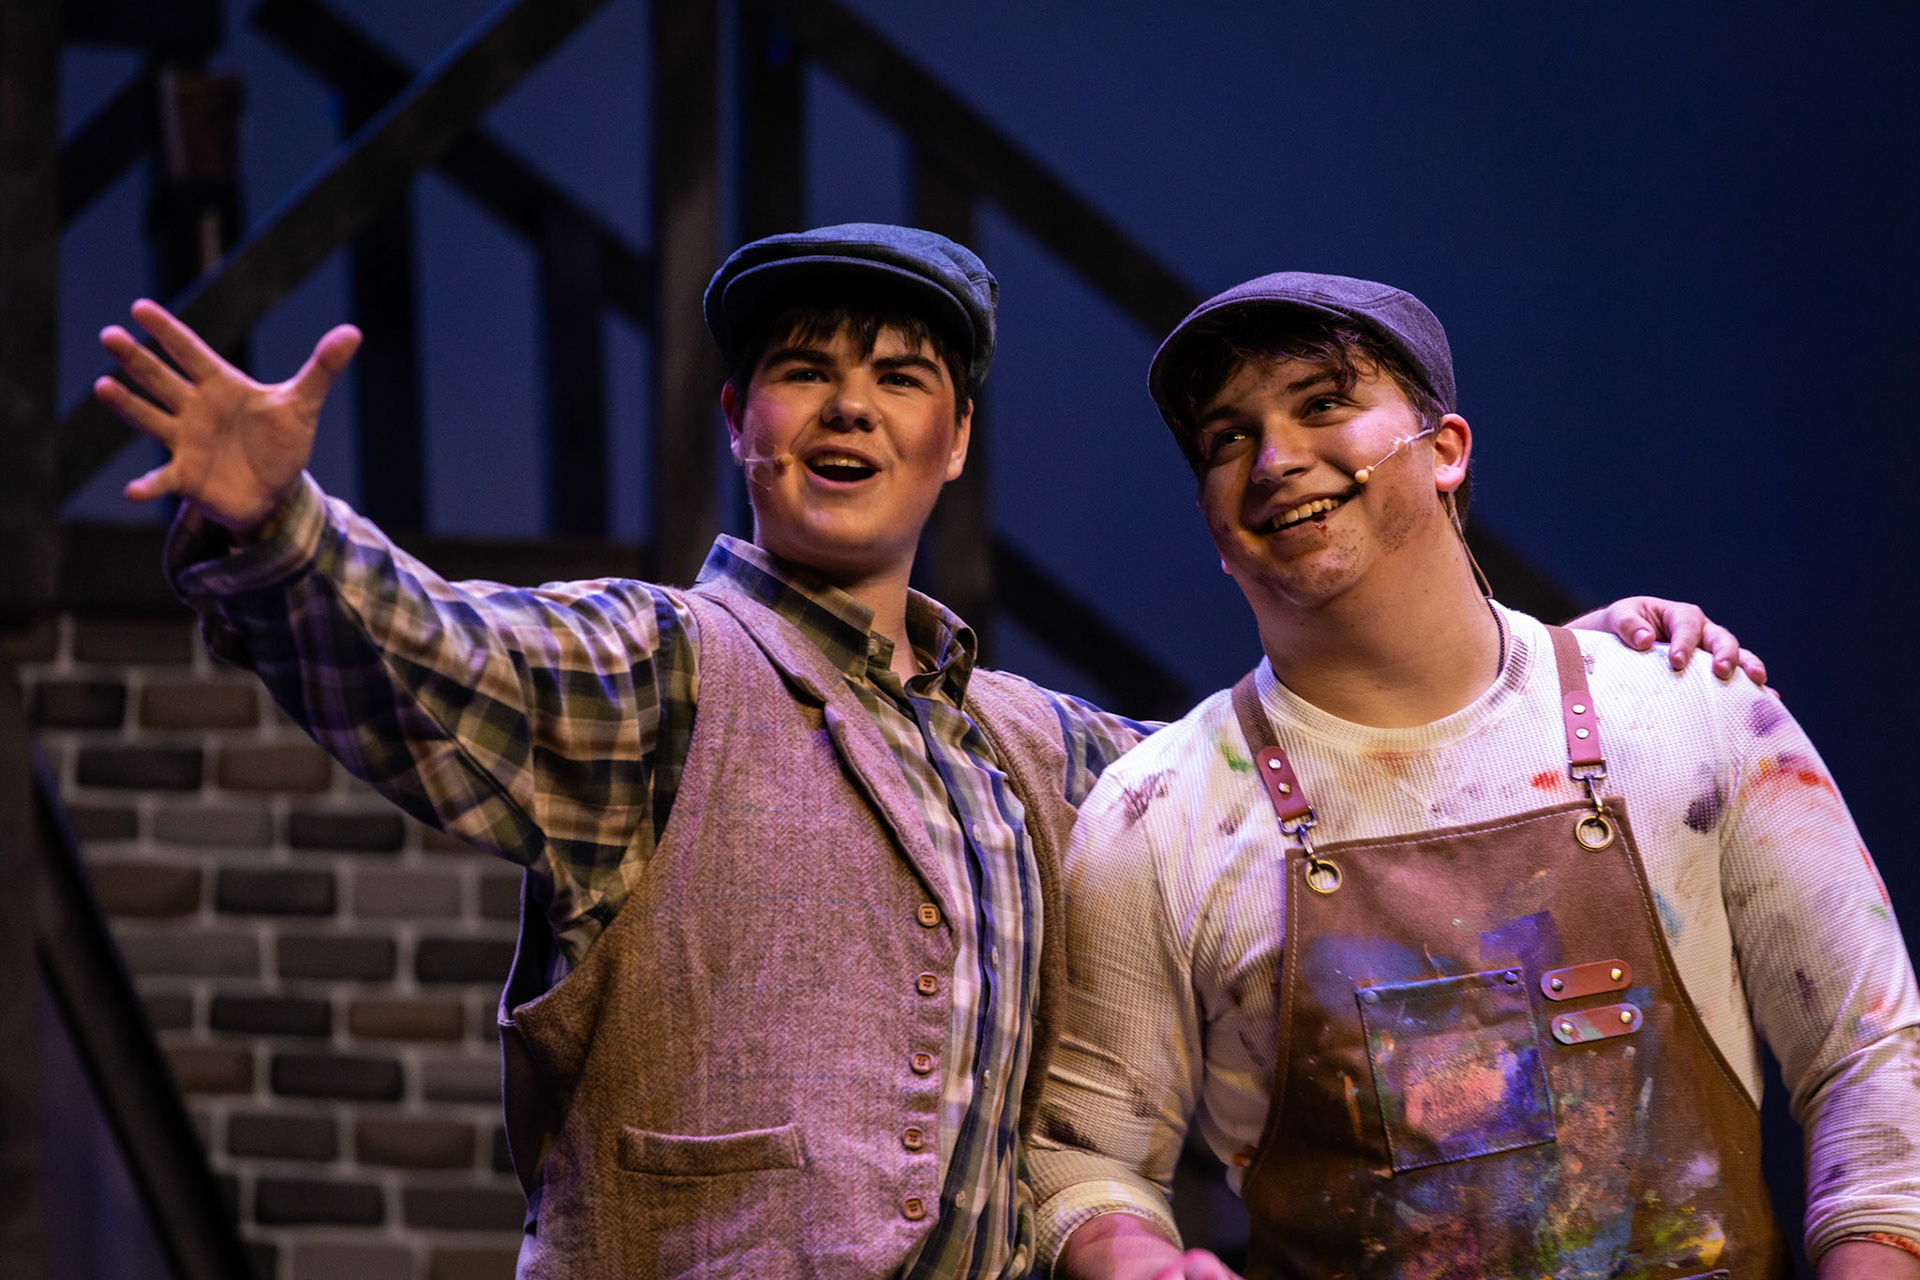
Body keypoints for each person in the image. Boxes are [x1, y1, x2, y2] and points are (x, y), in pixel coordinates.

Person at [93, 230, 1756, 1279]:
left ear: (952, 441)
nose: (848, 407)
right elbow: (446, 660)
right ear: (741, 422)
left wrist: (1560, 671)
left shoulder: (1048, 751)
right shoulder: (663, 671)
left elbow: (1326, 782)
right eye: (801, 373)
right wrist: (284, 532)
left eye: (899, 379)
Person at [1026, 271, 1920, 1280]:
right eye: (1228, 438)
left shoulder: (1686, 713)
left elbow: (1873, 1058)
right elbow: (1084, 1158)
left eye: (1324, 403)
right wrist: (1136, 1262)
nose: (1274, 459)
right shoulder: (1156, 815)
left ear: (1446, 449)